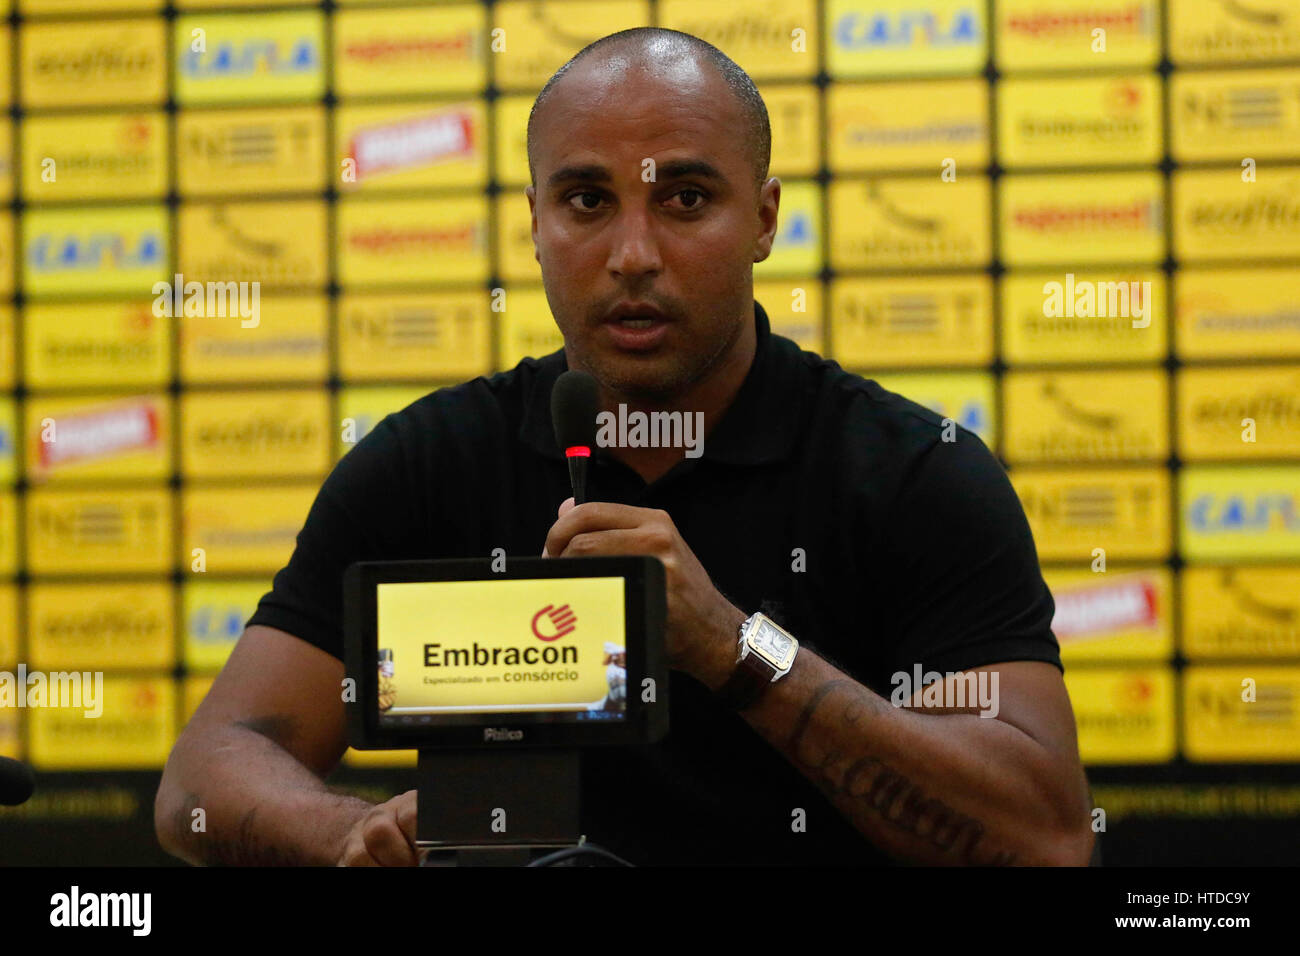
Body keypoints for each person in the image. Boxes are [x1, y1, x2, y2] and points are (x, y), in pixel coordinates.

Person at [155, 27, 1095, 867]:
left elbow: (1044, 842)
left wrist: (734, 648)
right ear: (534, 223)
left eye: (685, 198)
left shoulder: (913, 476)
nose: (633, 253)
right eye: (586, 201)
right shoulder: (427, 464)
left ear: (765, 219)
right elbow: (202, 779)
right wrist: (342, 834)